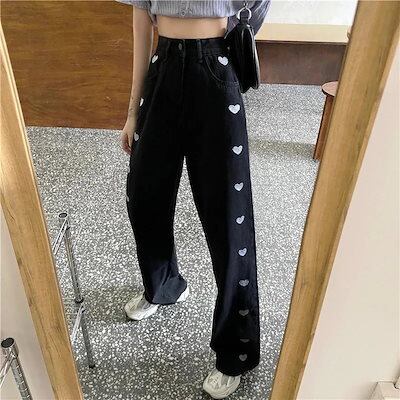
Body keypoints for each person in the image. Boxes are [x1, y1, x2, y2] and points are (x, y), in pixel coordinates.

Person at [117, 1, 271, 398]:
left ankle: (235, 351)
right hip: (163, 67)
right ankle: (165, 285)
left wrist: (234, 35)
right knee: (144, 196)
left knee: (229, 218)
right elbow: (141, 22)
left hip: (216, 69)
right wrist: (132, 111)